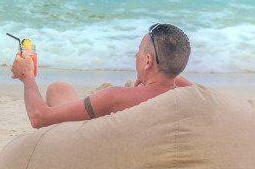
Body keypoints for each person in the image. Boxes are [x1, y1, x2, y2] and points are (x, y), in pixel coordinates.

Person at [11, 23, 191, 128]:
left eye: (139, 51)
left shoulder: (115, 97)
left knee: (58, 91)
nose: (136, 55)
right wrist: (163, 74)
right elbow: (188, 85)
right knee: (59, 88)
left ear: (148, 61)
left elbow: (39, 117)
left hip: (90, 149)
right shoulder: (193, 97)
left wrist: (27, 75)